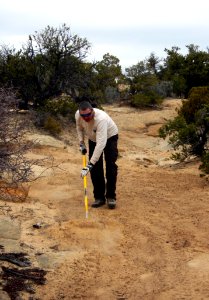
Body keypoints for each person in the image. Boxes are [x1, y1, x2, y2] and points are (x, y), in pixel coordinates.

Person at [75, 100, 119, 209]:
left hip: (109, 137)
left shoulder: (101, 119)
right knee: (96, 169)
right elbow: (79, 128)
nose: (86, 117)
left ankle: (111, 197)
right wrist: (81, 143)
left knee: (110, 166)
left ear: (92, 111)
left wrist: (89, 165)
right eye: (83, 115)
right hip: (93, 137)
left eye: (88, 115)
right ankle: (99, 198)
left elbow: (101, 144)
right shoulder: (78, 115)